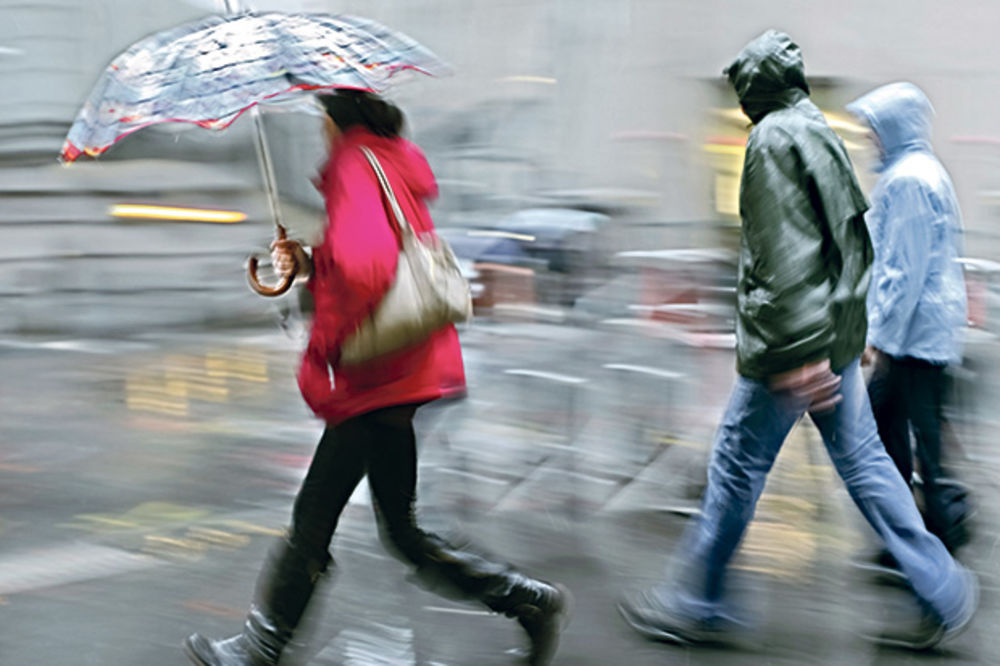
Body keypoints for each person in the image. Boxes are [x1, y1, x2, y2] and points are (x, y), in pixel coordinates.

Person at [618, 30, 977, 651]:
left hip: (792, 346)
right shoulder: (817, 130)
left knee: (734, 466)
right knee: (867, 465)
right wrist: (843, 334)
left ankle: (698, 602)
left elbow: (784, 257)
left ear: (754, 88)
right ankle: (944, 589)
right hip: (831, 337)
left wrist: (802, 351)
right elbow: (854, 241)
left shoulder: (770, 140)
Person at [184, 90, 569, 666]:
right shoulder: (389, 159)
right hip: (403, 369)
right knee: (403, 532)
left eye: (322, 121)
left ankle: (261, 649)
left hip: (373, 376)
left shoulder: (350, 164)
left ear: (339, 123)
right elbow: (369, 254)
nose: (320, 132)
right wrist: (312, 261)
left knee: (313, 520)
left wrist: (327, 349)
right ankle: (527, 600)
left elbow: (367, 268)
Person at [847, 83, 973, 555]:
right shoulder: (920, 172)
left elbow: (903, 272)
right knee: (905, 432)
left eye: (873, 132)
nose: (869, 141)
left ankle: (933, 534)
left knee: (899, 433)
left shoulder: (908, 181)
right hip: (922, 338)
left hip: (913, 340)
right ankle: (918, 532)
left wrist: (877, 338)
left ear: (893, 130)